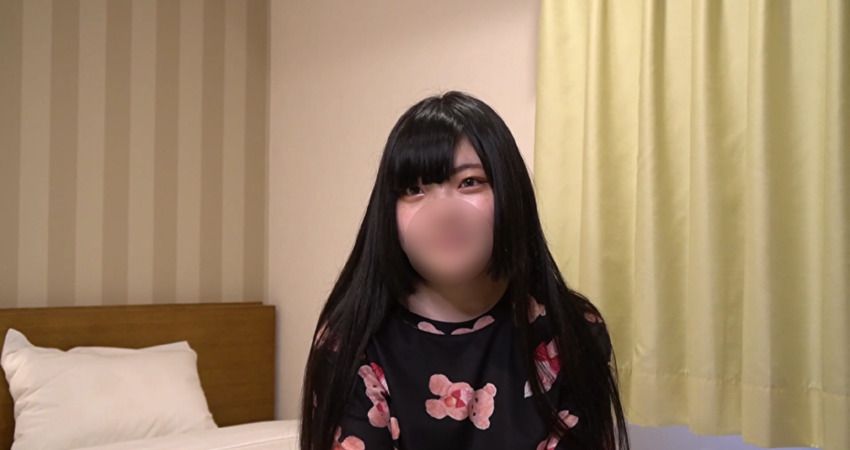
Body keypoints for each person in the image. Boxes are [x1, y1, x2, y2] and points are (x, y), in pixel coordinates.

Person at [299, 91, 629, 450]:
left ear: (509, 192)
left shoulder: (571, 331)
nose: (443, 212)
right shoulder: (351, 343)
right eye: (414, 189)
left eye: (469, 182)